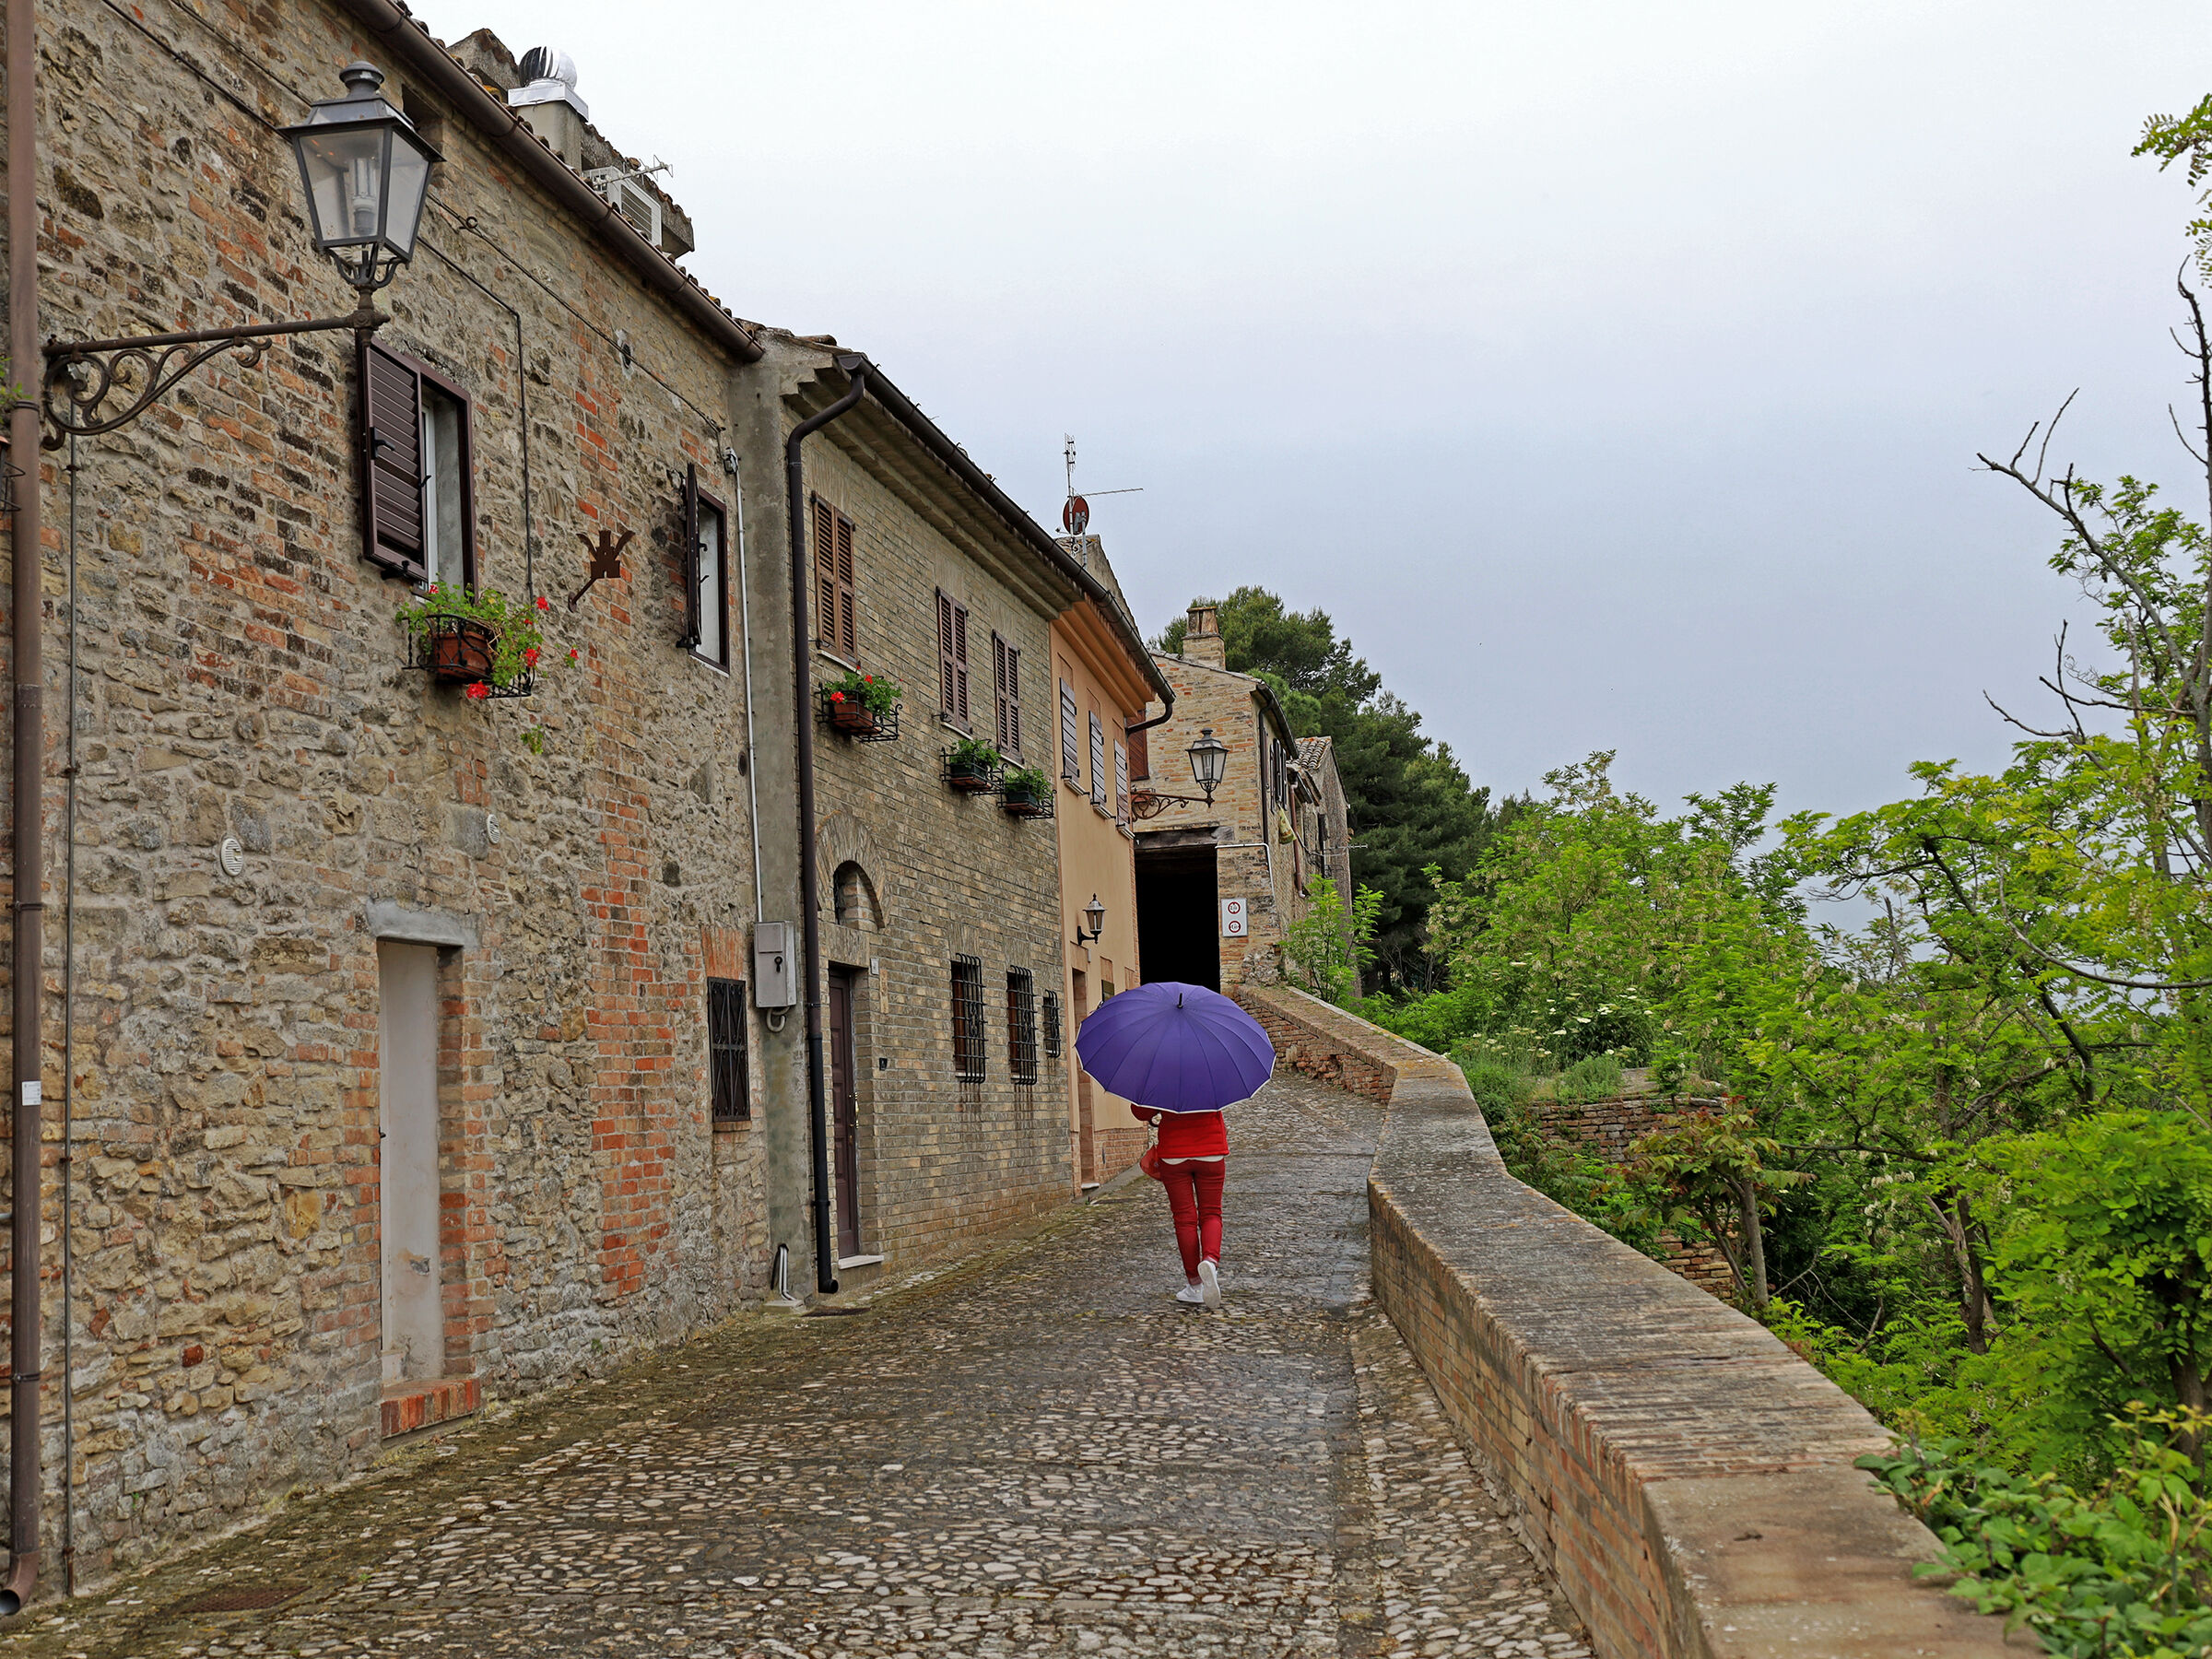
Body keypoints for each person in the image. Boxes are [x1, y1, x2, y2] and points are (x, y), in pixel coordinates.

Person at [1135, 1101, 1227, 1306]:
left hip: (1174, 1152)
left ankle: (1195, 1286)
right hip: (1211, 1147)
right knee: (1211, 1213)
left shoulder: (1160, 1072)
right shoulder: (1214, 1070)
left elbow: (1140, 1111)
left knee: (1184, 1219)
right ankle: (1210, 1261)